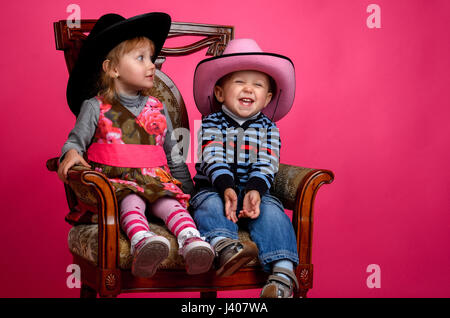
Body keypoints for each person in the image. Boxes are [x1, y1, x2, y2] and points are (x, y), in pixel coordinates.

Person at [57, 12, 214, 277]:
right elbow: (76, 141)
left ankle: (191, 240)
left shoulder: (158, 107)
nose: (151, 65)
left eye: (151, 58)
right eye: (141, 58)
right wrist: (71, 152)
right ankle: (143, 242)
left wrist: (187, 191)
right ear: (113, 69)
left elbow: (174, 156)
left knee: (170, 203)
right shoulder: (95, 107)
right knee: (131, 201)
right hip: (118, 183)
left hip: (156, 179)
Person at [191, 39, 299, 297]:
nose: (248, 89)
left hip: (256, 193)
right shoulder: (209, 123)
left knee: (274, 213)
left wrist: (255, 191)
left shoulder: (269, 129)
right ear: (219, 93)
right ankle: (224, 246)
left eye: (258, 84)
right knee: (208, 205)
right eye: (239, 82)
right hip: (216, 189)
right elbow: (212, 155)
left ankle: (282, 274)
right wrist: (226, 187)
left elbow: (267, 161)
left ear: (268, 98)